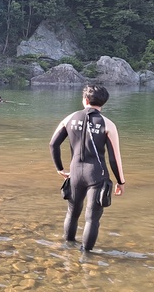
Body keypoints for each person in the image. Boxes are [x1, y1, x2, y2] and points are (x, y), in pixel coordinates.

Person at [49, 85, 126, 252]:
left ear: (85, 100)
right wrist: (121, 181)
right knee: (92, 219)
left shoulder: (69, 118)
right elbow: (115, 158)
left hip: (75, 173)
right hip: (97, 175)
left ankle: (67, 248)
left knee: (72, 212)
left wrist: (60, 169)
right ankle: (86, 257)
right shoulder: (108, 124)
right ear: (103, 103)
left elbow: (53, 144)